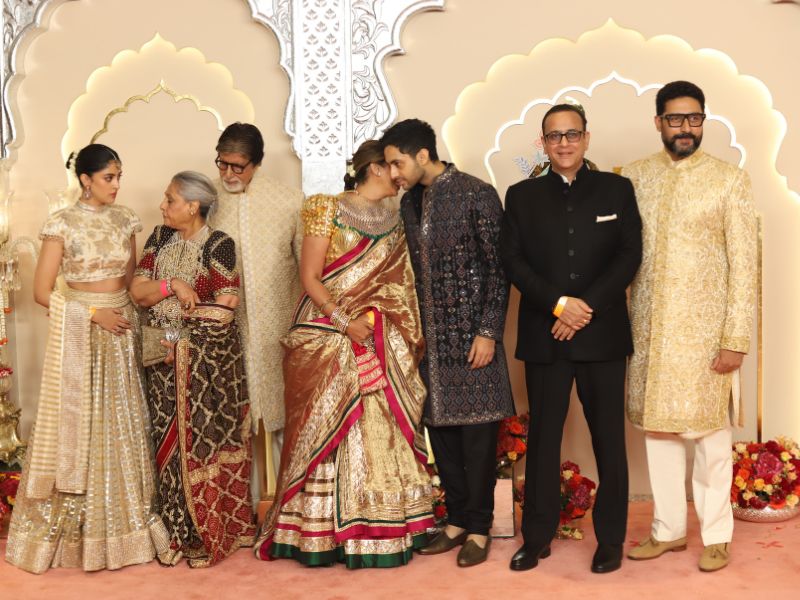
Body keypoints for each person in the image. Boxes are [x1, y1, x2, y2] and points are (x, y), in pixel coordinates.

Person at [253, 140, 433, 568]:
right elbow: (310, 276)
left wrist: (373, 323)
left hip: (376, 336)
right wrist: (343, 321)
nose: (400, 175)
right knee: (327, 421)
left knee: (379, 427)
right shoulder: (325, 207)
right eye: (393, 166)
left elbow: (399, 289)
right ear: (375, 168)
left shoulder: (396, 220)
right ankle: (317, 533)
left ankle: (382, 527)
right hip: (326, 332)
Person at [5, 144, 169, 573]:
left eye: (119, 177)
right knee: (83, 425)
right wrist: (94, 315)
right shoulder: (62, 223)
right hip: (85, 330)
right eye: (108, 178)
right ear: (85, 180)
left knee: (122, 424)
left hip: (123, 329)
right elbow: (42, 292)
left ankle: (125, 526)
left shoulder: (125, 219)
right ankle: (78, 533)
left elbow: (131, 282)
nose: (116, 185)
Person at [500, 104, 642, 574]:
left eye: (572, 134)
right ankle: (537, 537)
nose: (564, 143)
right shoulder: (521, 195)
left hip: (603, 336)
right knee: (543, 440)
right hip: (547, 335)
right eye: (554, 136)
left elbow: (629, 255)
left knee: (609, 441)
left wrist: (584, 308)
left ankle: (611, 540)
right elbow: (513, 261)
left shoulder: (617, 189)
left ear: (586, 138)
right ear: (543, 143)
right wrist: (559, 304)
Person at [624, 81, 757, 572]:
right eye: (676, 119)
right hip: (650, 333)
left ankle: (717, 534)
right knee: (658, 434)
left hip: (706, 336)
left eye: (694, 118)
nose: (686, 128)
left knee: (710, 439)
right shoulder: (634, 177)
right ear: (658, 122)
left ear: (703, 120)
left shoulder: (729, 180)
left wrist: (735, 338)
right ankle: (668, 531)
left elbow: (744, 266)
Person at [382, 119, 514, 568]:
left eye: (398, 163)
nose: (394, 173)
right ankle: (456, 522)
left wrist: (488, 331)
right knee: (443, 438)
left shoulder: (477, 193)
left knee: (477, 441)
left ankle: (479, 528)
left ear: (423, 155)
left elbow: (499, 268)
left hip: (473, 341)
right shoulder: (408, 203)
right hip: (431, 348)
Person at [129, 171, 256, 567]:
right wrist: (172, 286)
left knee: (197, 444)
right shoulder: (159, 238)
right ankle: (173, 529)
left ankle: (204, 529)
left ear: (193, 206)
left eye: (170, 200)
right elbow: (138, 293)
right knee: (165, 443)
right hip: (159, 356)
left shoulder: (218, 244)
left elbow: (225, 306)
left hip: (198, 362)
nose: (162, 206)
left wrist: (183, 342)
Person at [207, 123, 304, 465]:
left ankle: (284, 492)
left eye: (238, 167)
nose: (228, 174)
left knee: (282, 411)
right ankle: (243, 495)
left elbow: (307, 266)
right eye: (222, 163)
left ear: (257, 163)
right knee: (233, 414)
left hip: (279, 324)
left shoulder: (290, 200)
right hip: (226, 327)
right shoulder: (207, 200)